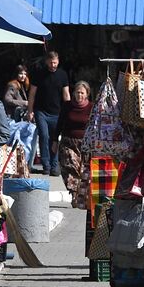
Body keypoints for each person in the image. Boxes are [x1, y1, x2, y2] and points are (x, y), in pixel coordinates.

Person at [27, 51, 69, 175]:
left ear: (58, 61)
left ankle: (54, 165)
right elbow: (32, 94)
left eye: (55, 62)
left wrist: (69, 111)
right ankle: (46, 165)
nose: (53, 65)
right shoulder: (39, 74)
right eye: (50, 62)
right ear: (46, 62)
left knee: (54, 139)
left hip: (57, 112)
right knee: (44, 136)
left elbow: (66, 95)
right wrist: (30, 111)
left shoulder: (62, 75)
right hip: (41, 111)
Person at [57, 81, 93, 209]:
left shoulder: (91, 108)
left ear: (87, 94)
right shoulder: (67, 106)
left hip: (84, 145)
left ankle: (80, 197)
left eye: (82, 93)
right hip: (68, 143)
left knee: (82, 172)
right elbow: (60, 123)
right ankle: (73, 194)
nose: (79, 95)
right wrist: (55, 141)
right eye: (77, 92)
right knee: (70, 169)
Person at [0, 63, 38, 165]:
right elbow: (7, 99)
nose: (23, 76)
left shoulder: (22, 85)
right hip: (12, 118)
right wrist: (24, 103)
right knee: (15, 141)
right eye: (21, 73)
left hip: (18, 118)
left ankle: (22, 163)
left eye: (25, 74)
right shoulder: (12, 85)